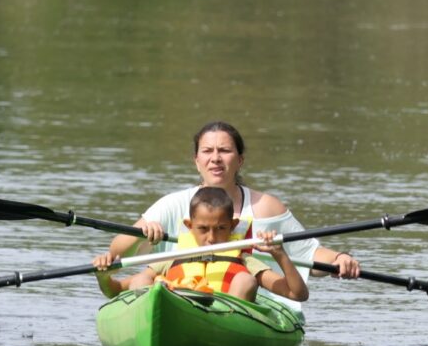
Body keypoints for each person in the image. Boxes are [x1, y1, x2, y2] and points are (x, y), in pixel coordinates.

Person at [102, 121, 361, 298]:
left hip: (253, 302)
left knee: (245, 281)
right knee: (142, 282)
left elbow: (310, 255)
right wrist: (141, 232)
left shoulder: (266, 207)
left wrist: (339, 259)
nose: (215, 158)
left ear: (239, 160)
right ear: (197, 161)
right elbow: (117, 252)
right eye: (207, 151)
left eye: (224, 150)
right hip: (179, 294)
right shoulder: (173, 204)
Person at [93, 187, 308, 303]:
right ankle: (144, 323)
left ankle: (225, 330)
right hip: (179, 315)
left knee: (245, 280)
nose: (212, 238)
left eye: (221, 229)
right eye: (203, 229)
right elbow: (116, 290)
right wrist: (103, 276)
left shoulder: (244, 260)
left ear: (233, 226)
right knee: (141, 278)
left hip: (225, 325)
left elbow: (297, 294)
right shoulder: (172, 258)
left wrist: (280, 255)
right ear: (189, 225)